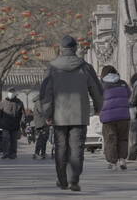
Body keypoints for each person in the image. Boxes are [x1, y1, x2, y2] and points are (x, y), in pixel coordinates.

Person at [40, 35, 103, 192]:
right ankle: (74, 180)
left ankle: (62, 181)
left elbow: (46, 93)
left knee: (61, 148)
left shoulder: (52, 68)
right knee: (77, 148)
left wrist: (47, 114)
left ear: (61, 49)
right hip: (79, 114)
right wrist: (98, 107)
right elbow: (96, 89)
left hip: (59, 116)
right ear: (75, 48)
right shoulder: (85, 67)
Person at [99, 65, 131, 170]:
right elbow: (129, 95)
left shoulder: (101, 85)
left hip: (108, 118)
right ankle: (122, 160)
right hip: (123, 116)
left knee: (110, 139)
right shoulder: (123, 83)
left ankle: (113, 163)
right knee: (123, 138)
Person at [0, 88, 25, 159]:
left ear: (15, 94)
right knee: (5, 138)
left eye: (12, 92)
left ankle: (13, 153)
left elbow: (22, 114)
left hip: (15, 124)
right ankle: (5, 153)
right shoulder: (3, 102)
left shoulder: (19, 102)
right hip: (5, 124)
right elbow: (0, 115)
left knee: (14, 139)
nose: (11, 93)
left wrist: (22, 123)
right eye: (10, 92)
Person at [33, 94, 50, 159]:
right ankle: (36, 153)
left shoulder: (40, 101)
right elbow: (42, 111)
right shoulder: (39, 102)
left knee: (44, 139)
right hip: (41, 123)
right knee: (40, 139)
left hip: (43, 123)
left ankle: (43, 153)